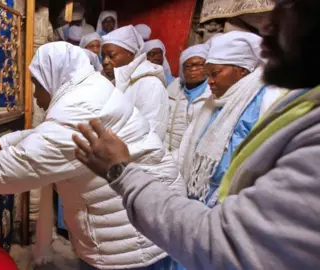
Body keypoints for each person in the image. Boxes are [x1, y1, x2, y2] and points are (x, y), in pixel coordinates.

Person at [72, 1, 320, 268]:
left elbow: (226, 242)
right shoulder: (221, 103)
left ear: (241, 71)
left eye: (291, 7)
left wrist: (122, 171)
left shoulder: (270, 105)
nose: (267, 26)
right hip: (196, 208)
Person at [0, 42, 185, 270]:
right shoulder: (89, 91)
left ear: (54, 76)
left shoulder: (79, 109)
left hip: (129, 243)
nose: (36, 97)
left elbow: (20, 166)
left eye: (37, 85)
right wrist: (5, 142)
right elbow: (49, 136)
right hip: (143, 222)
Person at [180, 31, 283, 206]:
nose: (209, 81)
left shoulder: (265, 99)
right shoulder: (214, 102)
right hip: (203, 195)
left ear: (241, 71)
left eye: (215, 73)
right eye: (208, 74)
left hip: (235, 200)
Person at [102, 25, 169, 140]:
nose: (105, 61)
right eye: (103, 56)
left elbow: (152, 134)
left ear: (131, 53)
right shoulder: (110, 81)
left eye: (111, 55)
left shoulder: (150, 85)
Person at [166, 44, 211, 163]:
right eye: (188, 66)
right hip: (168, 154)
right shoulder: (173, 91)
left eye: (199, 65)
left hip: (194, 157)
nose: (193, 70)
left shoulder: (212, 94)